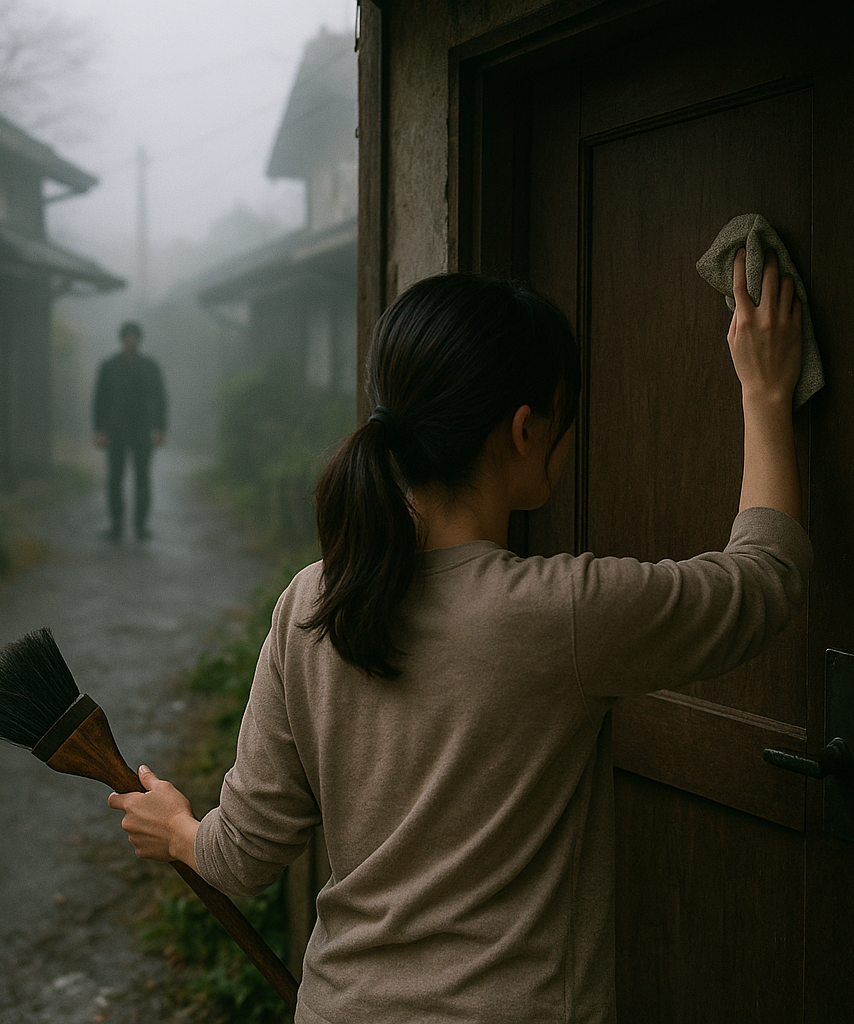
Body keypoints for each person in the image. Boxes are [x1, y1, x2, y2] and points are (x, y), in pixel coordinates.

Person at [109, 251, 809, 1023]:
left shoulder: (312, 602)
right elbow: (763, 583)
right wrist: (765, 393)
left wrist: (178, 829)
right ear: (524, 430)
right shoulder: (561, 616)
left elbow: (241, 856)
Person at [92, 321, 167, 541]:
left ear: (139, 340)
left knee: (142, 478)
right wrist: (98, 430)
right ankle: (116, 524)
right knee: (115, 478)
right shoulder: (109, 366)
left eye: (134, 336)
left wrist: (161, 428)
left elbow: (160, 398)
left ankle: (141, 526)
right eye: (128, 336)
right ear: (122, 339)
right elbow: (100, 400)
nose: (131, 340)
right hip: (116, 430)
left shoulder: (150, 366)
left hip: (142, 429)